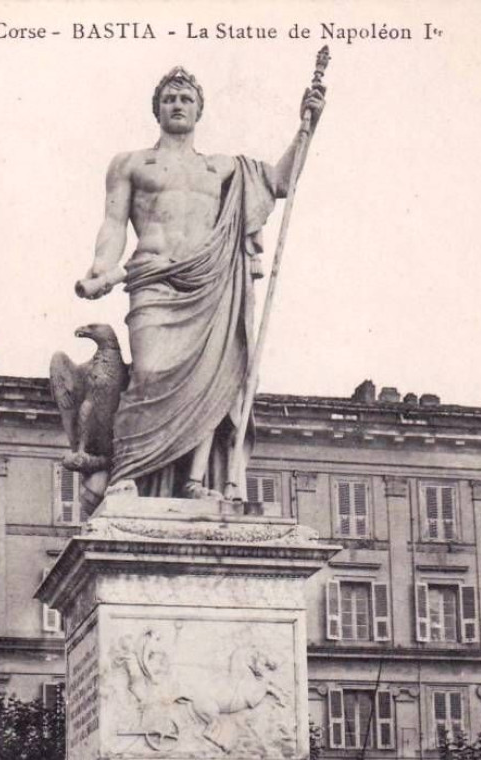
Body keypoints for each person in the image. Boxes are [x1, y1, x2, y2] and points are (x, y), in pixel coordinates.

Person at [77, 66, 326, 501]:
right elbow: (114, 223)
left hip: (212, 284)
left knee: (212, 381)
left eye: (185, 99)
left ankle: (194, 484)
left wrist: (308, 125)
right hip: (152, 278)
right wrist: (100, 268)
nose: (177, 105)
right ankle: (127, 473)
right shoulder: (132, 163)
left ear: (198, 110)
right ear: (157, 109)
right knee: (150, 374)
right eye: (169, 98)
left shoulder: (223, 168)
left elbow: (282, 181)